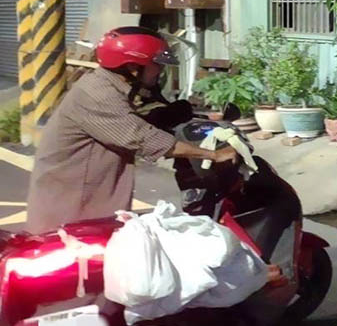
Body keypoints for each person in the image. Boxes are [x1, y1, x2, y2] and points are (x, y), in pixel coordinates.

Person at [25, 26, 237, 234]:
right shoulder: (97, 94)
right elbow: (143, 138)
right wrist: (213, 155)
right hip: (72, 206)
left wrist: (186, 115)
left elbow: (133, 120)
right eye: (156, 64)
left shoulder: (108, 85)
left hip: (83, 198)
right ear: (133, 67)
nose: (160, 70)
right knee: (88, 254)